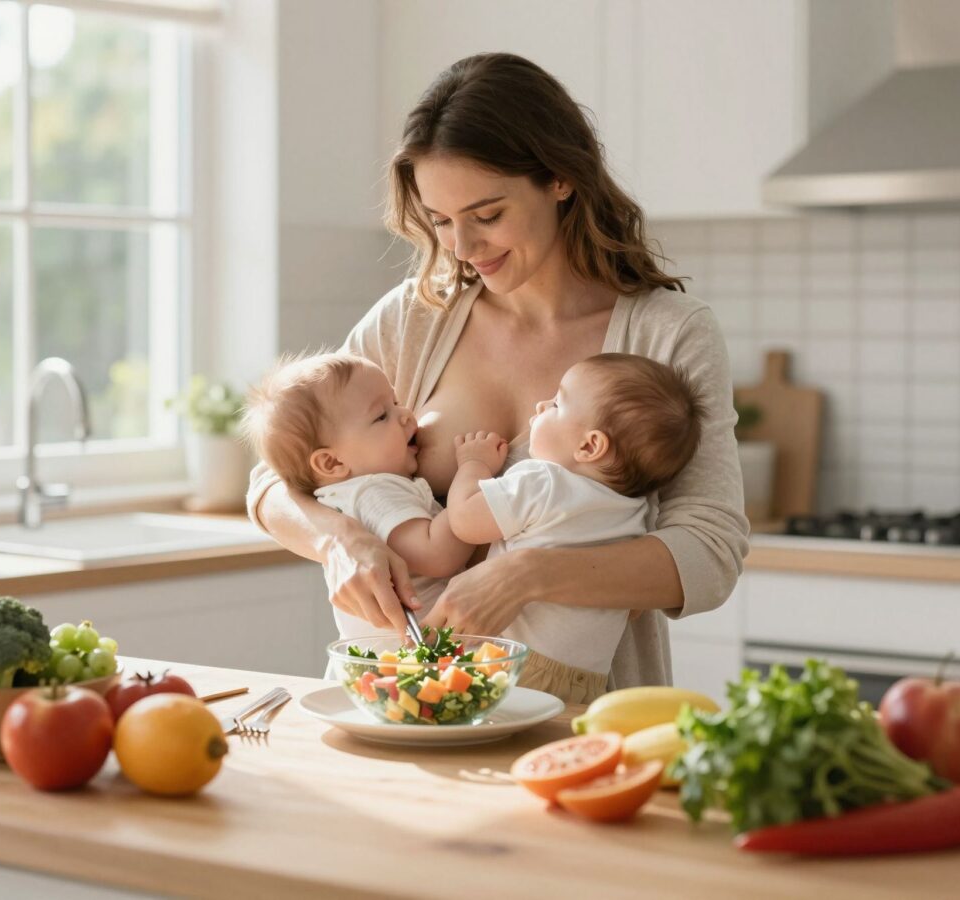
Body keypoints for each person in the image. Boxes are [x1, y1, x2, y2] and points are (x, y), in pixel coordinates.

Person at [247, 52, 749, 702]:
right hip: (404, 707)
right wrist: (340, 539)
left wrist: (531, 574)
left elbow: (709, 552)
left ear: (561, 179)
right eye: (440, 221)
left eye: (486, 215)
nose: (461, 246)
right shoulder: (414, 317)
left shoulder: (668, 332)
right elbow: (273, 481)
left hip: (577, 719)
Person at [444, 353, 706, 685]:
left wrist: (473, 465)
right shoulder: (633, 513)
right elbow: (635, 606)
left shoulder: (544, 482)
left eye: (556, 403)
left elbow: (466, 519)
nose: (541, 405)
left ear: (590, 445)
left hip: (515, 664)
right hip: (589, 678)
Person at [240, 351, 474, 642]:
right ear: (332, 463)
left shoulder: (348, 492)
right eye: (381, 415)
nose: (406, 415)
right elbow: (439, 554)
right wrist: (472, 476)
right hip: (416, 661)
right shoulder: (372, 493)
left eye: (396, 402)